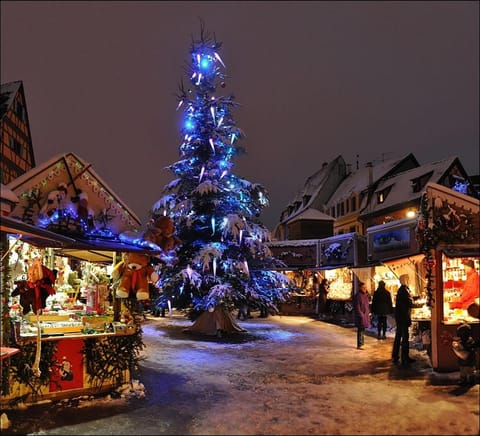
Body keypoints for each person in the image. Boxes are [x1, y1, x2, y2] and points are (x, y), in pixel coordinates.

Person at [392, 274, 415, 367]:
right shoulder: (403, 290)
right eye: (408, 279)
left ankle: (396, 355)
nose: (409, 280)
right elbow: (409, 303)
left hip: (400, 317)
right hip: (403, 317)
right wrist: (415, 302)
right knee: (404, 337)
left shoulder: (403, 290)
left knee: (399, 336)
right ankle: (404, 357)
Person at [353, 281, 370, 350]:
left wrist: (368, 313)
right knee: (360, 329)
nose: (365, 289)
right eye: (364, 287)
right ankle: (360, 344)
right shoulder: (358, 296)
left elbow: (366, 305)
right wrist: (361, 315)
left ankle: (362, 343)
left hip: (365, 315)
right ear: (360, 288)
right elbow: (357, 307)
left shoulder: (365, 295)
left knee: (362, 329)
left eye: (365, 287)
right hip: (361, 316)